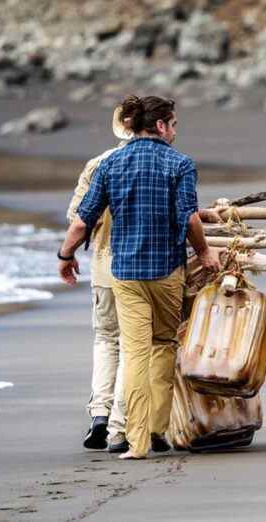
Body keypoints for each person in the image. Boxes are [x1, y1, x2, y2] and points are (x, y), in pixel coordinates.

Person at [57, 95, 221, 459]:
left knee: (131, 352)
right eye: (174, 124)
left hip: (124, 274)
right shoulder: (180, 163)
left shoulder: (110, 164)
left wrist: (65, 255)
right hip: (167, 273)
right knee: (163, 346)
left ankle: (135, 441)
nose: (176, 130)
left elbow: (82, 220)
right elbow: (189, 217)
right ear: (161, 125)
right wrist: (206, 251)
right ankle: (156, 429)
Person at [66, 107, 130, 452]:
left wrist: (67, 254)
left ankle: (99, 415)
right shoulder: (165, 160)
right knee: (135, 345)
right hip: (146, 268)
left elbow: (76, 218)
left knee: (107, 341)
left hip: (104, 266)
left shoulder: (98, 163)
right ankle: (120, 423)